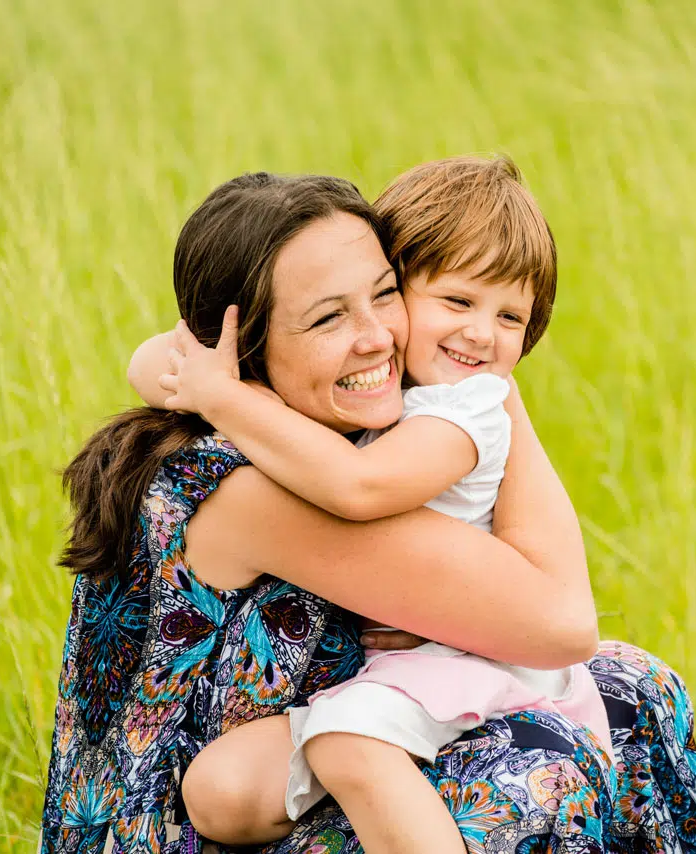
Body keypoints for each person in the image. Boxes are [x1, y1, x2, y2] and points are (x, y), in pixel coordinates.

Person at [41, 169, 696, 853]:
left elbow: (168, 353)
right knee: (543, 767)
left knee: (632, 684)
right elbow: (563, 622)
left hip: (317, 738)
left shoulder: (288, 418)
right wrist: (496, 395)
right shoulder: (249, 486)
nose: (378, 339)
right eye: (329, 316)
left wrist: (488, 388)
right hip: (190, 829)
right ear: (243, 345)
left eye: (386, 294)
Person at [146, 156, 614, 853]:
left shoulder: (461, 410)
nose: (482, 334)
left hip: (459, 658)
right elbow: (166, 354)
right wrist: (197, 379)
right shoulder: (265, 460)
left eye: (511, 316)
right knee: (220, 788)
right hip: (416, 661)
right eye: (456, 303)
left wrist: (222, 395)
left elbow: (358, 488)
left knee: (347, 745)